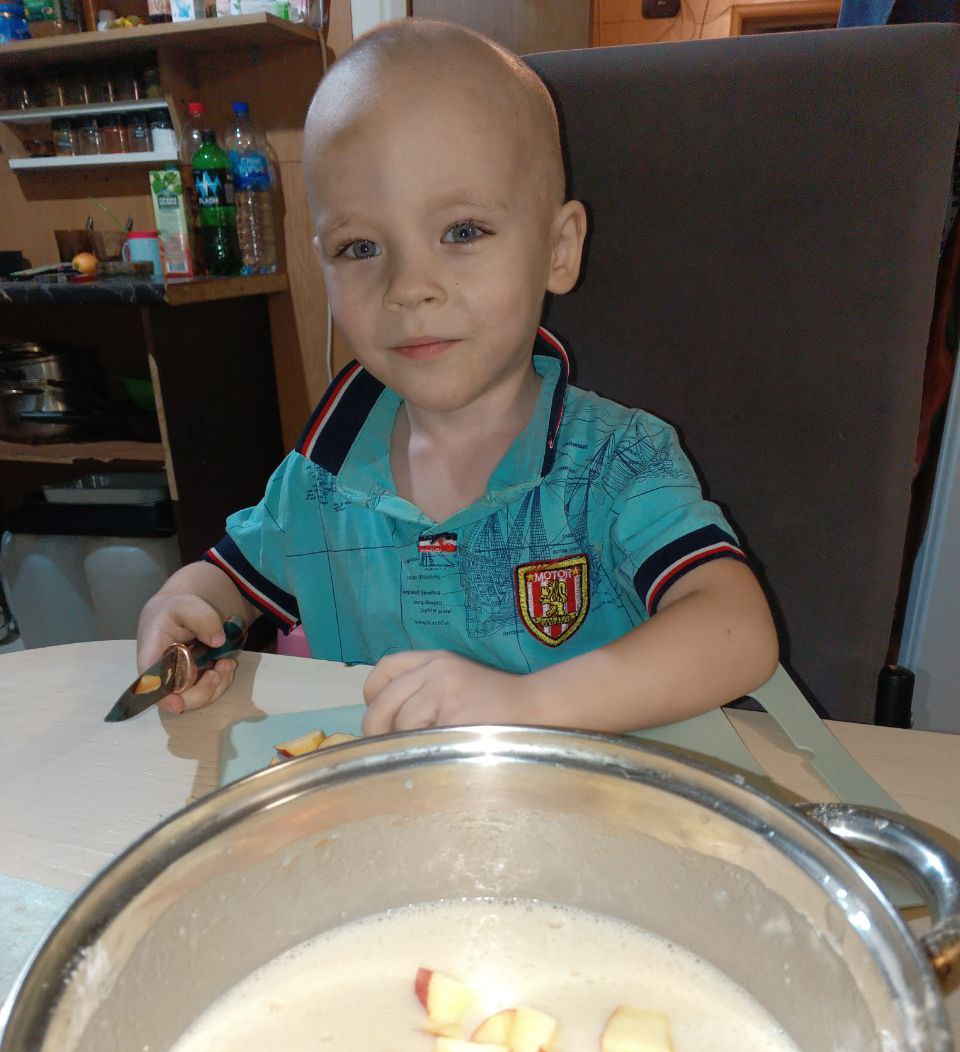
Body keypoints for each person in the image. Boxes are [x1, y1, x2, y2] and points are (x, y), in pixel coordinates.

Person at [136, 18, 778, 735]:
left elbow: (737, 631)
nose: (410, 287)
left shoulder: (618, 462)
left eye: (462, 232)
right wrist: (181, 609)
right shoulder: (319, 479)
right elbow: (226, 581)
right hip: (388, 793)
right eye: (360, 246)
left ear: (559, 249)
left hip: (590, 791)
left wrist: (526, 706)